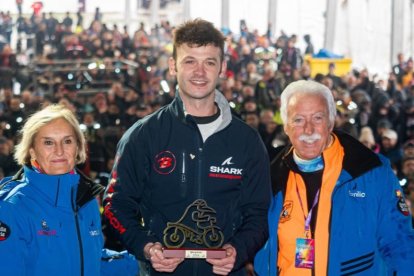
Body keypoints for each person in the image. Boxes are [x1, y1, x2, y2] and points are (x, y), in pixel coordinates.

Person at [103, 18, 271, 275]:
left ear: (222, 67)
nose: (200, 72)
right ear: (173, 66)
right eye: (190, 61)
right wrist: (146, 247)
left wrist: (239, 249)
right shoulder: (143, 135)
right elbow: (115, 207)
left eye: (209, 62)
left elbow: (259, 214)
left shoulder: (246, 141)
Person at [254, 80, 414, 275]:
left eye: (317, 118)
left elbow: (400, 244)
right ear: (286, 126)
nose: (308, 130)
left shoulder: (371, 171)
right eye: (298, 120)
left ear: (331, 121)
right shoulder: (270, 175)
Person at [0, 104, 104, 275]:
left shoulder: (87, 199)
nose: (60, 151)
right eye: (48, 142)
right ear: (32, 151)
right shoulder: (12, 207)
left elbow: (89, 259)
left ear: (78, 147)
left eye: (67, 141)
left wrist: (144, 257)